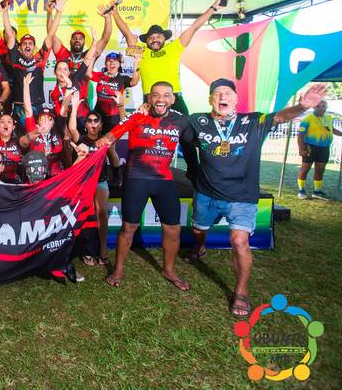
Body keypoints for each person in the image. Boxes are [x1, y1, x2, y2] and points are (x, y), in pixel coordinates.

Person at [185, 79, 328, 316]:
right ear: (210, 99)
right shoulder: (198, 121)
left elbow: (280, 117)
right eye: (217, 93)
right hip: (207, 192)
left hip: (242, 195)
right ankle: (199, 247)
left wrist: (302, 106)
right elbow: (179, 131)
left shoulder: (253, 121)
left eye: (227, 93)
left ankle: (241, 291)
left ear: (235, 99)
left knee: (239, 241)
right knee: (198, 230)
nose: (222, 96)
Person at [97, 81, 196, 291]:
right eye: (156, 95)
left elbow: (197, 141)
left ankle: (169, 270)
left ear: (173, 98)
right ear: (149, 98)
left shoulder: (180, 120)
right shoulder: (137, 115)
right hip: (137, 179)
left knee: (173, 228)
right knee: (128, 228)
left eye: (166, 95)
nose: (161, 99)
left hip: (164, 180)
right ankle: (118, 270)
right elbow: (111, 136)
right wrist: (97, 144)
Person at [111, 0, 227, 115]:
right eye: (151, 37)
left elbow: (194, 27)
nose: (154, 39)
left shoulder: (173, 48)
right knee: (150, 127)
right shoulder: (141, 51)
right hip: (150, 99)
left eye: (158, 36)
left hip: (174, 97)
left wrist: (213, 8)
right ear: (146, 41)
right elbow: (127, 32)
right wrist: (115, 13)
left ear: (164, 38)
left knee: (184, 126)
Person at [68, 107, 111, 266]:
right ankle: (87, 250)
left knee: (101, 213)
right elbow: (72, 128)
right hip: (84, 182)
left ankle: (103, 250)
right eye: (89, 121)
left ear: (101, 125)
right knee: (85, 214)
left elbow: (120, 127)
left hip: (100, 181)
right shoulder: (81, 139)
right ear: (85, 125)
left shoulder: (105, 140)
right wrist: (74, 108)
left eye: (96, 121)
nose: (93, 124)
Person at [297, 99, 341, 199]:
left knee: (320, 170)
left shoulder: (328, 117)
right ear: (313, 107)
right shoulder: (307, 119)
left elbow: (332, 129)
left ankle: (317, 191)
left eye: (324, 106)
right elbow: (301, 136)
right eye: (318, 106)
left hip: (324, 148)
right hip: (310, 147)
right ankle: (301, 191)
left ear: (326, 107)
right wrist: (301, 149)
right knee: (305, 169)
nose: (321, 108)